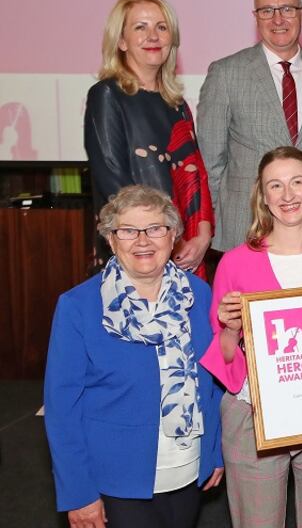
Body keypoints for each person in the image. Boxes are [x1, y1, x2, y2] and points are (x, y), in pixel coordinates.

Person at [200, 147, 302, 528]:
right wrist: (230, 329)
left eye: (296, 182)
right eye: (276, 185)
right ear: (263, 195)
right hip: (253, 415)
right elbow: (224, 357)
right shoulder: (235, 262)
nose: (288, 195)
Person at [44, 185, 224, 528]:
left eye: (155, 228)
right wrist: (79, 492)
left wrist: (214, 452)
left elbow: (212, 383)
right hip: (116, 479)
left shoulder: (197, 295)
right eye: (128, 230)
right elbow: (61, 408)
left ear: (173, 237)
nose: (143, 241)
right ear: (112, 240)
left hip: (187, 470)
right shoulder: (78, 307)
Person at [198, 0, 302, 253]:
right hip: (245, 226)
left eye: (287, 9)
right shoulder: (226, 73)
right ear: (256, 17)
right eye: (267, 11)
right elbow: (210, 162)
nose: (278, 19)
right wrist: (214, 222)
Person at [85, 0, 214, 277]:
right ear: (121, 41)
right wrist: (161, 237)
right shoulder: (106, 95)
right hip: (136, 253)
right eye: (140, 27)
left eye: (162, 27)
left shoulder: (176, 104)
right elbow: (114, 185)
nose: (153, 36)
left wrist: (202, 237)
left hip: (184, 251)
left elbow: (198, 176)